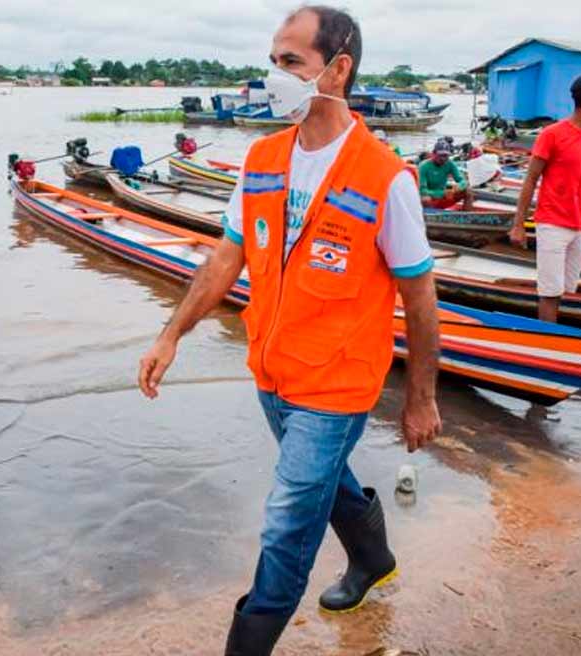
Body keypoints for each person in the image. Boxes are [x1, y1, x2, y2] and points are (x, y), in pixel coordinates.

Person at [137, 6, 441, 654]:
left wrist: (421, 398)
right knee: (323, 482)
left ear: (338, 69)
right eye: (274, 61)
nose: (275, 76)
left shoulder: (384, 177)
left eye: (291, 62)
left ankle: (246, 645)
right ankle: (373, 559)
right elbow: (226, 258)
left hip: (338, 384)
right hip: (273, 373)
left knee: (285, 525)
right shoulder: (263, 158)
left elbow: (419, 295)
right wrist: (170, 336)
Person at [509, 72, 581, 322]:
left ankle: (553, 336)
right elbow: (531, 180)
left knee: (566, 289)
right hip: (552, 222)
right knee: (549, 292)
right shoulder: (552, 134)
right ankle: (544, 343)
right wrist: (518, 226)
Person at [418, 140, 473, 210]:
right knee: (425, 199)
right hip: (431, 199)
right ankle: (429, 217)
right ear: (433, 154)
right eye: (441, 155)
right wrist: (442, 193)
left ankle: (466, 217)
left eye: (446, 156)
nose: (443, 158)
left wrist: (459, 186)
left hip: (444, 197)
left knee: (468, 191)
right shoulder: (423, 166)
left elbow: (463, 180)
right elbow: (422, 191)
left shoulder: (450, 163)